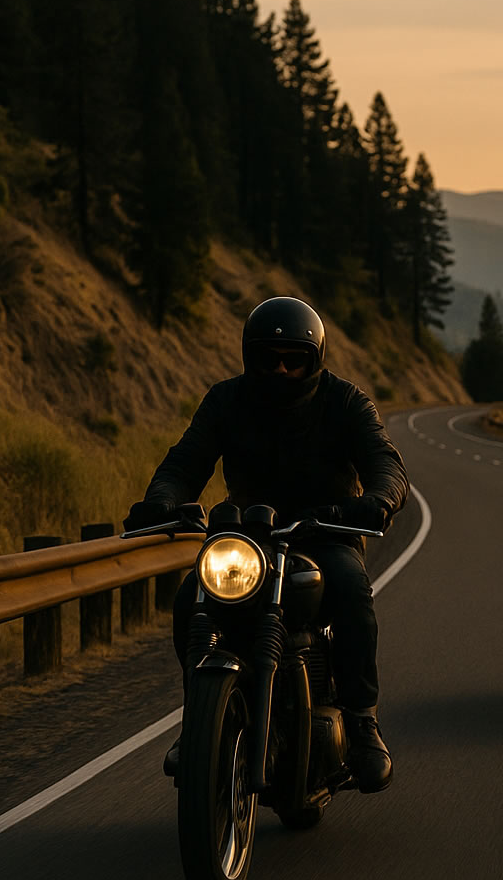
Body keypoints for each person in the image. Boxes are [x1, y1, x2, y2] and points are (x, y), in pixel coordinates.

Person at [123, 296, 408, 793]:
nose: (280, 369)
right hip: (247, 538)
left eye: (293, 359)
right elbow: (185, 461)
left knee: (350, 587)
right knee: (193, 596)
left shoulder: (346, 402)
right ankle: (199, 720)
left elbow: (385, 461)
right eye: (267, 359)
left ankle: (362, 721)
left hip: (325, 532)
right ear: (248, 357)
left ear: (313, 359)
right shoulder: (226, 400)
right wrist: (162, 500)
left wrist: (377, 499)